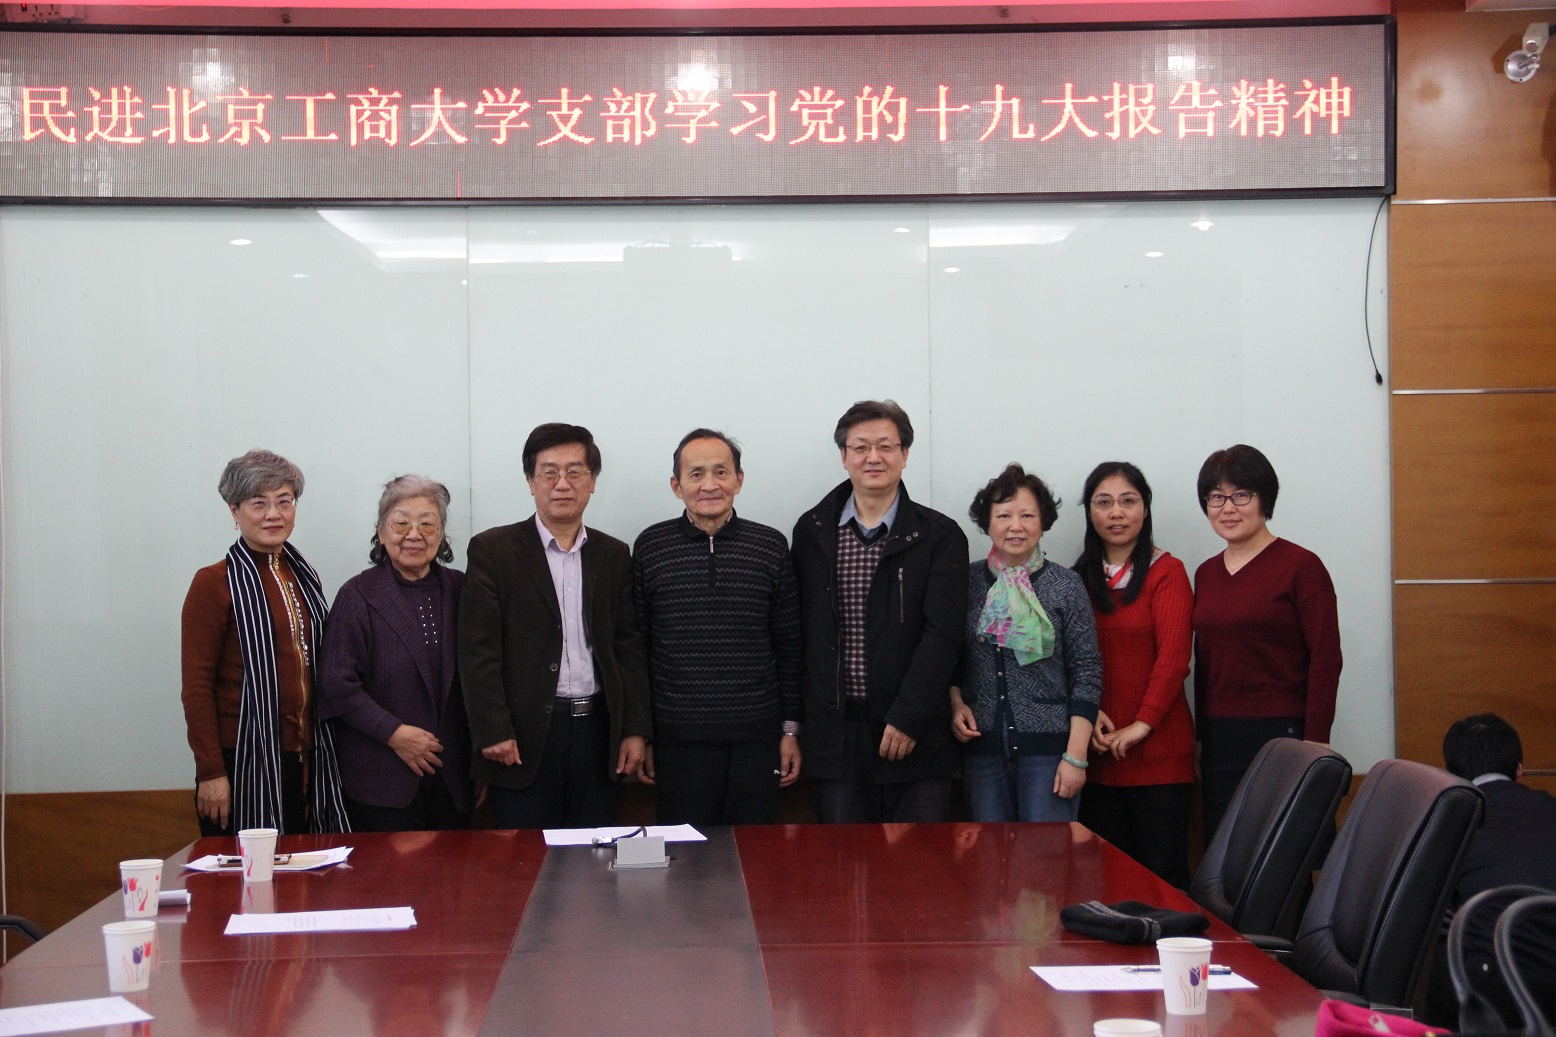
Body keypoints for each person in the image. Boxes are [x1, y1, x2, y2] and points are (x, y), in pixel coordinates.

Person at [458, 423, 651, 829]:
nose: (562, 484)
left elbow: (627, 646)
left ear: (592, 482)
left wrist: (634, 729)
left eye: (575, 472)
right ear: (531, 481)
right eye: (549, 472)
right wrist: (493, 729)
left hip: (598, 733)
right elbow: (478, 651)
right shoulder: (493, 550)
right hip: (523, 737)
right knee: (527, 857)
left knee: (594, 854)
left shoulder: (613, 554)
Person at [791, 400, 967, 823]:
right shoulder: (812, 531)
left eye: (886, 446)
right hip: (836, 734)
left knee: (918, 859)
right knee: (842, 857)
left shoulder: (939, 535)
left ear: (904, 454)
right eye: (861, 447)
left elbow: (943, 636)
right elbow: (800, 633)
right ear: (844, 456)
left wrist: (908, 717)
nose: (873, 457)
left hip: (914, 733)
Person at [632, 429, 803, 825]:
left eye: (721, 472)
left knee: (754, 852)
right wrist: (644, 734)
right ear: (676, 486)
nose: (709, 484)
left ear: (738, 480)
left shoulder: (770, 546)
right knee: (686, 853)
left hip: (757, 739)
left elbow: (790, 646)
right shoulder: (651, 547)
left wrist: (791, 731)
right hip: (677, 741)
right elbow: (638, 648)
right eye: (696, 474)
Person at [180, 449, 349, 835]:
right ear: (234, 511)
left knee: (307, 865)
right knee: (249, 869)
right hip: (242, 760)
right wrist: (211, 773)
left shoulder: (302, 575)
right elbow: (197, 688)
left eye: (284, 501)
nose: (274, 514)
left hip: (308, 756)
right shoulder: (213, 583)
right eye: (259, 503)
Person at [1191, 444, 1342, 839]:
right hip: (1220, 735)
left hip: (1283, 733)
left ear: (1265, 500)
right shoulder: (1205, 574)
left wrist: (1317, 740)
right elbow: (1205, 660)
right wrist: (1200, 738)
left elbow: (1326, 656)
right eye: (1216, 497)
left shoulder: (1301, 566)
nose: (1228, 508)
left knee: (1285, 851)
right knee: (1226, 850)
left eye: (1241, 495)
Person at [318, 475, 478, 832]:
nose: (414, 534)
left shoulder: (463, 589)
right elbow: (336, 685)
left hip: (453, 780)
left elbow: (482, 677)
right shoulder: (358, 595)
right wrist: (395, 734)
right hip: (381, 780)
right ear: (381, 531)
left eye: (427, 524)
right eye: (401, 523)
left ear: (442, 531)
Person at [950, 464, 1101, 822]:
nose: (1015, 526)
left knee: (1045, 855)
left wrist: (1076, 757)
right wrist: (955, 703)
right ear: (987, 523)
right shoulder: (965, 582)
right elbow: (949, 657)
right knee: (989, 853)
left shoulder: (1066, 585)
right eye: (1003, 515)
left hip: (1050, 753)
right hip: (981, 750)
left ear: (1043, 522)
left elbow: (1087, 671)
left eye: (1027, 515)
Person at [1072, 462, 1195, 886]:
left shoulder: (1167, 571)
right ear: (1090, 512)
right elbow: (1069, 660)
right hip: (1098, 753)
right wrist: (1088, 713)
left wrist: (1142, 725)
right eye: (1103, 502)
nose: (1116, 513)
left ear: (1145, 508)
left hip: (1160, 755)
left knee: (1162, 880)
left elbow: (1174, 659)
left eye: (1128, 501)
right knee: (1104, 882)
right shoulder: (1076, 579)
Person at [1442, 712, 1556, 901]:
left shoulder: (1448, 824)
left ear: (1452, 777)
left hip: (1487, 920)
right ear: (1520, 770)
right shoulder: (1551, 806)